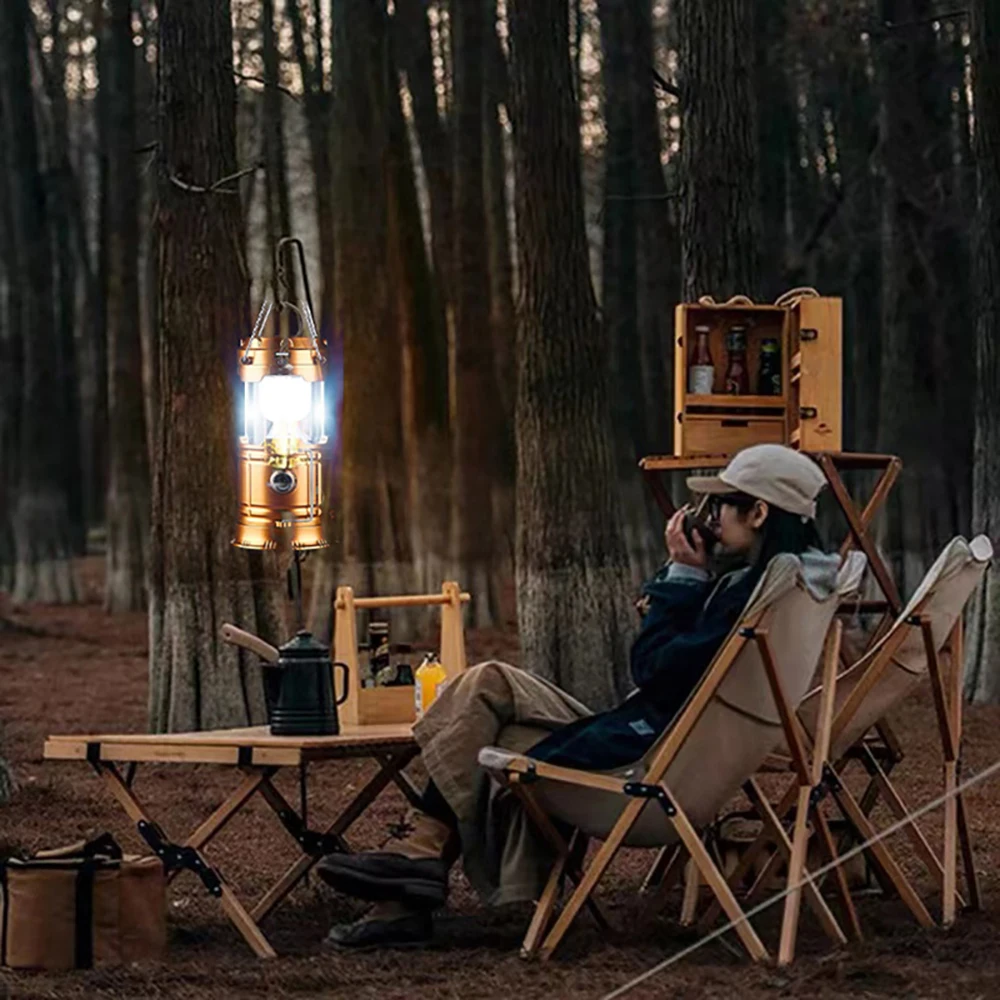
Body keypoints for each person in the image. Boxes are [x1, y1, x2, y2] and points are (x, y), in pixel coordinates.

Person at [318, 444, 840, 949]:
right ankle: (418, 864)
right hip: (672, 746)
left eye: (720, 505)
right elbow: (681, 667)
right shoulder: (788, 586)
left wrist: (683, 575)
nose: (707, 515)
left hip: (646, 764)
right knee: (486, 685)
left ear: (757, 512)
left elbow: (655, 669)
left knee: (483, 711)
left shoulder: (752, 596)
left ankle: (415, 871)